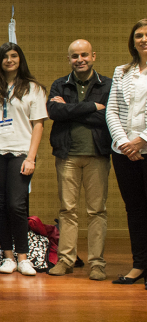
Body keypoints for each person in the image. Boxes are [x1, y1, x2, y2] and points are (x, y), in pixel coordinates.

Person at [46, 40, 112, 280]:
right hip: (67, 156)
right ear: (69, 59)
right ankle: (66, 260)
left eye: (84, 55)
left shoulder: (108, 85)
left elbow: (107, 118)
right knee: (67, 210)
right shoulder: (59, 84)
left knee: (97, 211)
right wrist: (92, 107)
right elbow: (54, 113)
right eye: (75, 56)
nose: (80, 59)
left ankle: (97, 263)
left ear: (93, 56)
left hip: (98, 155)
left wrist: (71, 111)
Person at [0, 42, 47, 276]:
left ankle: (24, 257)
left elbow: (38, 125)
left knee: (16, 205)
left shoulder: (34, 88)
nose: (9, 60)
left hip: (21, 153)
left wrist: (31, 158)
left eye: (14, 56)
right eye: (5, 57)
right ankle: (8, 257)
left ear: (20, 59)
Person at [106, 18, 147, 286]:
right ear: (132, 41)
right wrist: (125, 143)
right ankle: (139, 265)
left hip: (145, 148)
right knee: (135, 210)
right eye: (139, 35)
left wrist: (141, 140)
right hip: (124, 153)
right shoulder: (122, 71)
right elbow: (112, 110)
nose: (143, 39)